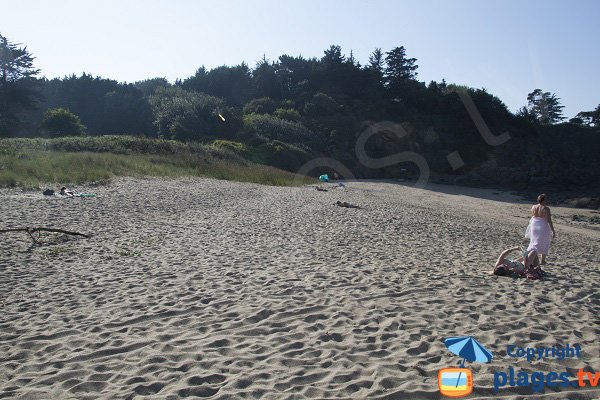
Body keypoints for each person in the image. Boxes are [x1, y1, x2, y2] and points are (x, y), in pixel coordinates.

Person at [525, 193, 555, 265]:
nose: (547, 201)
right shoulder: (546, 208)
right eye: (546, 199)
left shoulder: (533, 207)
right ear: (543, 200)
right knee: (544, 242)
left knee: (534, 242)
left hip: (534, 225)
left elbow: (533, 216)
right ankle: (542, 260)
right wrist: (553, 230)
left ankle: (529, 256)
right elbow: (549, 220)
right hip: (542, 226)